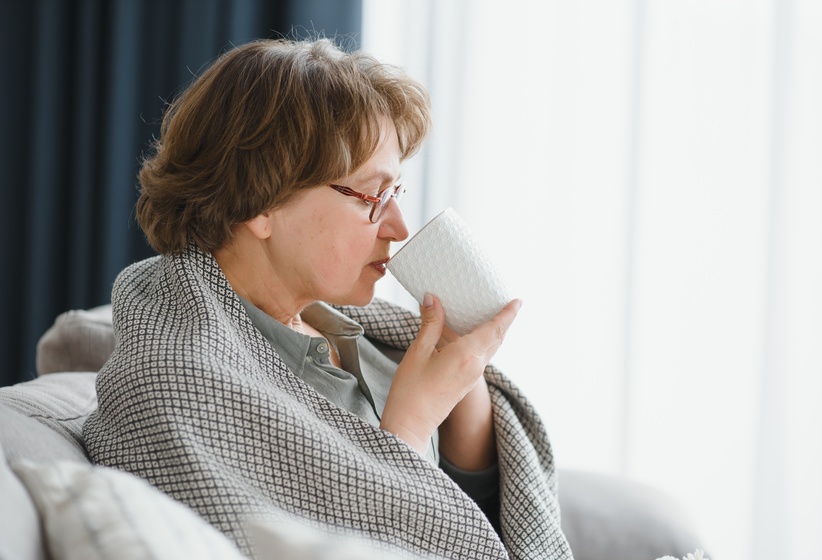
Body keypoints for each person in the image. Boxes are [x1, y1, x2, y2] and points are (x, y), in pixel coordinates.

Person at [83, 37, 573, 560]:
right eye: (372, 196)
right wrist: (407, 428)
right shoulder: (179, 380)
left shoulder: (345, 325)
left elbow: (474, 515)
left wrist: (463, 370)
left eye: (396, 193)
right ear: (261, 203)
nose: (398, 226)